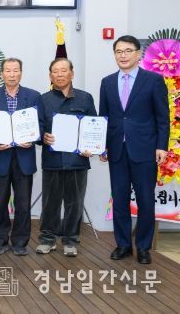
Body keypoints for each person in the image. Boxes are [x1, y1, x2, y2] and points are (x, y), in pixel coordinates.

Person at [99, 35, 169, 265]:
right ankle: (123, 245)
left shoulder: (153, 80)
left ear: (138, 53)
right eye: (119, 51)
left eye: (128, 51)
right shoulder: (107, 82)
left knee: (146, 200)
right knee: (119, 199)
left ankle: (144, 247)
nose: (123, 55)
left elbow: (162, 117)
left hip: (145, 150)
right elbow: (104, 117)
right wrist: (101, 145)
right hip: (117, 150)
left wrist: (161, 146)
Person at [0, 57, 44, 256]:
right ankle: (0, 241)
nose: (12, 74)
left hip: (24, 157)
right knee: (0, 202)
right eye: (8, 71)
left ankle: (20, 242)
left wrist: (33, 138)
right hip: (0, 156)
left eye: (15, 70)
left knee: (23, 203)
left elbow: (40, 124)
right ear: (2, 74)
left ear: (21, 73)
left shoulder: (33, 96)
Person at [38, 58, 97, 257]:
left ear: (72, 73)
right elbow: (37, 128)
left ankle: (71, 240)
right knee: (50, 203)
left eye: (64, 70)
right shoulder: (43, 99)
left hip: (78, 161)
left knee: (75, 203)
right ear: (50, 76)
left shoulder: (85, 98)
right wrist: (43, 137)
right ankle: (47, 239)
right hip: (52, 160)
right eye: (55, 71)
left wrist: (92, 146)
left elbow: (94, 126)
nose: (60, 74)